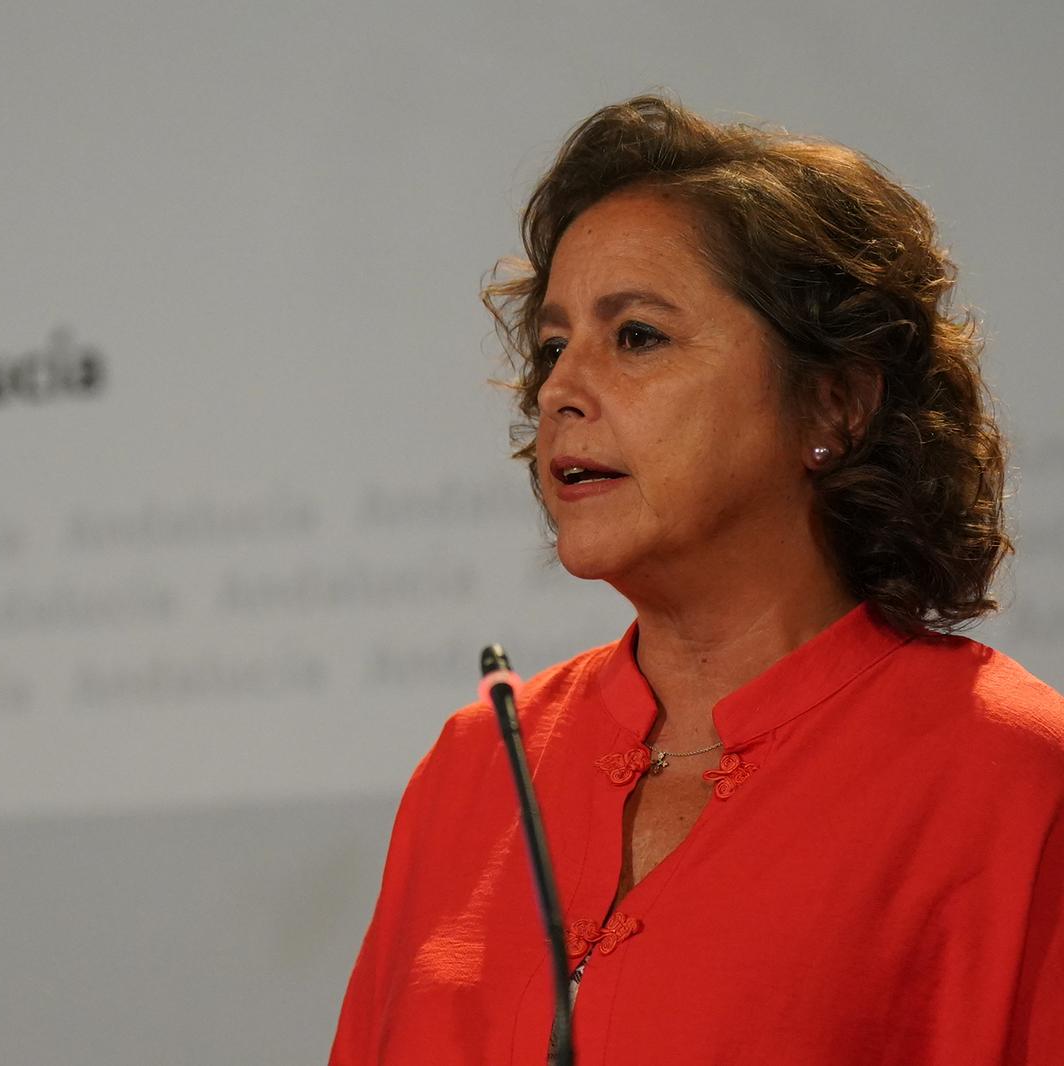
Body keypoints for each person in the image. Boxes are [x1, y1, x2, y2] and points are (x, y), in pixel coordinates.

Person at [329, 95, 1064, 1065]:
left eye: (635, 336)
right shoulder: (471, 770)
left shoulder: (1010, 780)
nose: (557, 389)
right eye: (551, 348)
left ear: (833, 404)